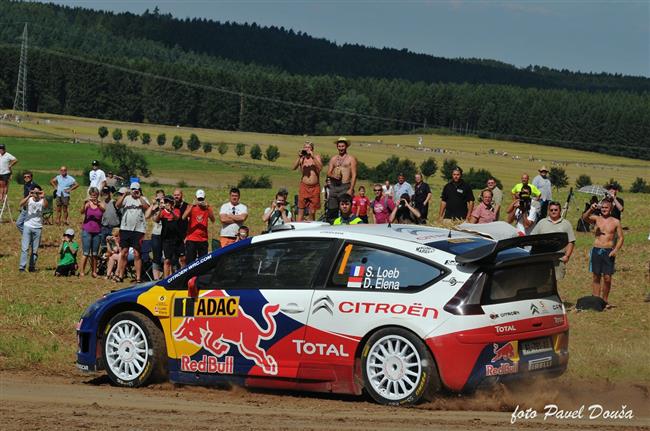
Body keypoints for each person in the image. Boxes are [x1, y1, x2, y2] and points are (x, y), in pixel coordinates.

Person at [582, 200, 624, 305]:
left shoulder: (615, 221)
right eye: (603, 207)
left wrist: (615, 250)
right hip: (596, 249)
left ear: (611, 209)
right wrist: (591, 209)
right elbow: (584, 218)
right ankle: (596, 300)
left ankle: (604, 301)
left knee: (607, 278)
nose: (604, 209)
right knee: (596, 276)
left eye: (606, 208)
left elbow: (621, 238)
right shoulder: (597, 219)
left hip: (608, 251)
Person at [114, 182, 150, 282]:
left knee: (137, 253)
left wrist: (139, 197)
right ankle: (120, 275)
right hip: (125, 228)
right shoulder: (126, 198)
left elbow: (147, 208)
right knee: (124, 252)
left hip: (138, 229)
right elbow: (117, 205)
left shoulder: (143, 199)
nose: (134, 191)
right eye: (133, 189)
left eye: (136, 189)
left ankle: (138, 277)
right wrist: (125, 194)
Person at [531, 201, 576, 280]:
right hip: (543, 259)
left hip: (558, 259)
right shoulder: (541, 222)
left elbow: (571, 241)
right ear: (548, 211)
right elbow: (533, 238)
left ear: (560, 211)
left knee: (557, 282)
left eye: (555, 210)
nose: (553, 212)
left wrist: (567, 256)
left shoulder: (566, 224)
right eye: (551, 210)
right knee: (541, 281)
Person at [326, 137, 357, 222]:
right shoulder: (333, 158)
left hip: (345, 186)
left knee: (345, 209)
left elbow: (354, 174)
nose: (341, 148)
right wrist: (333, 176)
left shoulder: (351, 159)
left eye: (343, 146)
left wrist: (351, 189)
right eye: (339, 146)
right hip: (334, 186)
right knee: (332, 210)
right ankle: (332, 227)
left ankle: (346, 225)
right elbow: (328, 173)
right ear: (337, 147)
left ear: (346, 146)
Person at [155, 194, 185, 277]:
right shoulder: (163, 212)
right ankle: (166, 278)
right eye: (166, 202)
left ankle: (183, 276)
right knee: (167, 260)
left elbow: (177, 218)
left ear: (172, 203)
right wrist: (160, 210)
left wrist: (171, 211)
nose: (167, 203)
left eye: (169, 202)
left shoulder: (177, 210)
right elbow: (156, 220)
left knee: (182, 259)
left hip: (177, 238)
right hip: (167, 239)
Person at [18, 185, 47, 272]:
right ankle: (22, 267)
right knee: (25, 248)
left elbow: (46, 206)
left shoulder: (42, 200)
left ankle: (31, 266)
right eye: (34, 192)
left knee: (35, 249)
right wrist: (28, 195)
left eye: (38, 192)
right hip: (28, 226)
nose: (36, 194)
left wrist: (43, 196)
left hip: (38, 227)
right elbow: (20, 204)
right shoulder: (29, 200)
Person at [79, 187, 106, 277]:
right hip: (87, 230)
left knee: (94, 253)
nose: (94, 197)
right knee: (86, 253)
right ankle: (82, 271)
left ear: (98, 195)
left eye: (95, 195)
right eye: (92, 195)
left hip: (97, 231)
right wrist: (84, 204)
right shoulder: (87, 204)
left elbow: (103, 210)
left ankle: (94, 272)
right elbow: (81, 212)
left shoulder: (101, 204)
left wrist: (97, 204)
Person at [183, 189, 215, 263]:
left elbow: (213, 219)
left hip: (203, 239)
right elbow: (183, 217)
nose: (200, 201)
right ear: (196, 198)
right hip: (192, 238)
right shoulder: (191, 207)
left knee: (203, 262)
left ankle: (201, 275)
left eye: (202, 199)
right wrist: (192, 205)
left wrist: (207, 207)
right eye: (199, 199)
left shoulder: (207, 208)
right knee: (190, 262)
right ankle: (191, 275)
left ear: (204, 198)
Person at [293, 141, 322, 221]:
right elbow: (293, 167)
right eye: (305, 147)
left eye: (309, 147)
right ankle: (298, 228)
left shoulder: (316, 157)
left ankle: (311, 228)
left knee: (312, 211)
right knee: (301, 209)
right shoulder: (302, 158)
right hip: (304, 186)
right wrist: (299, 157)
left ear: (312, 149)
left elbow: (320, 168)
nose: (307, 149)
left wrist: (313, 157)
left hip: (314, 187)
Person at [145, 189, 166, 279]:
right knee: (156, 258)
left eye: (162, 196)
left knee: (167, 257)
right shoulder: (155, 207)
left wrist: (163, 205)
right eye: (158, 197)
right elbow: (147, 216)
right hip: (156, 234)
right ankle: (156, 279)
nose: (160, 198)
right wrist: (153, 204)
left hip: (166, 234)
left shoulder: (167, 206)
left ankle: (167, 277)